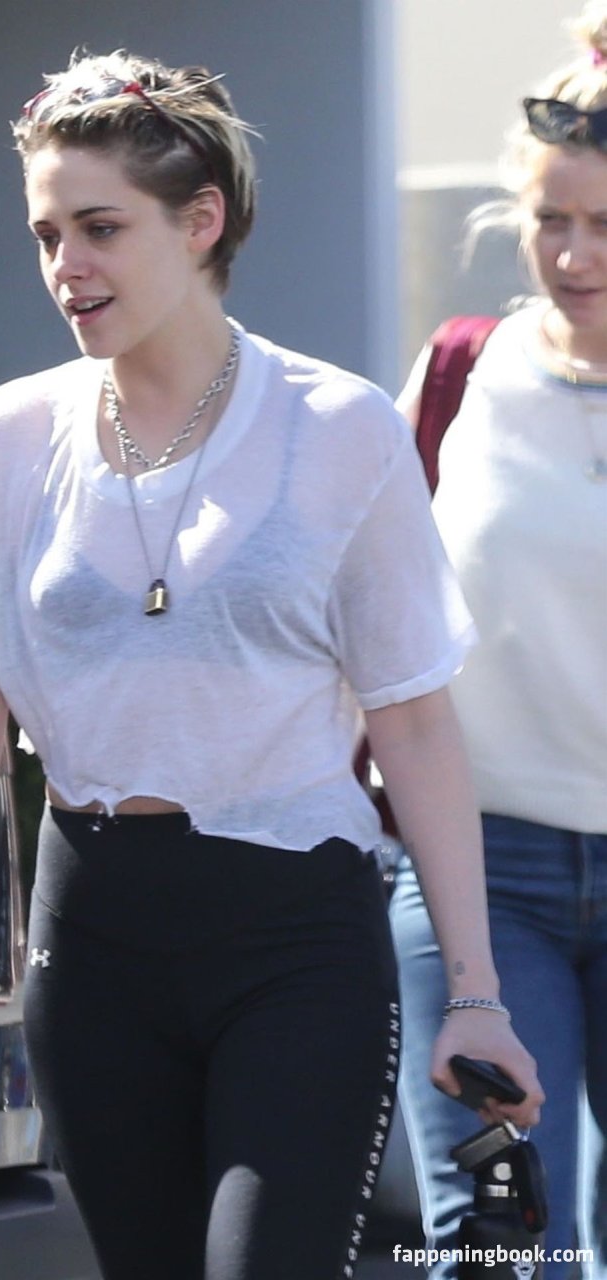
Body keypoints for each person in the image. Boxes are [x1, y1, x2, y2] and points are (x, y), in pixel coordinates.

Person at [0, 49, 542, 1280]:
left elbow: (413, 726)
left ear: (200, 222)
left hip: (296, 939)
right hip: (91, 941)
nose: (66, 267)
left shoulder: (337, 429)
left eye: (100, 228)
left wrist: (475, 991)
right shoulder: (3, 440)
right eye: (45, 235)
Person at [390, 7, 607, 1277]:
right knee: (500, 1242)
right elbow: (371, 604)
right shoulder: (457, 375)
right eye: (549, 219)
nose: (573, 255)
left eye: (606, 224)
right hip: (479, 874)